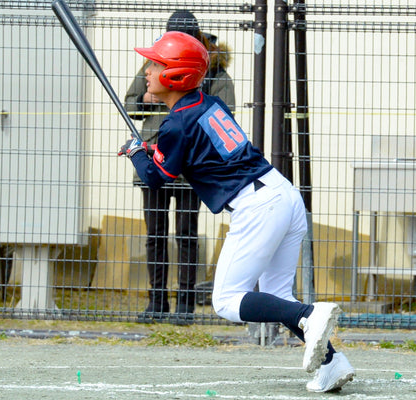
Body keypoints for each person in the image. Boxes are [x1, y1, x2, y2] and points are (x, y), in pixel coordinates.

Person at [119, 31, 355, 392]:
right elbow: (186, 154)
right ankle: (333, 363)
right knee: (278, 295)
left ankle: (310, 315)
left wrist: (137, 150)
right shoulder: (205, 103)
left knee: (227, 301)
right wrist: (151, 150)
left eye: (155, 64)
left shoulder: (176, 123)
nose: (147, 70)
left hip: (258, 206)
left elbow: (154, 179)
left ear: (174, 75)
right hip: (281, 193)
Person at [124, 10, 235, 324]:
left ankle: (185, 303)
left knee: (186, 235)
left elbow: (226, 117)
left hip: (189, 168)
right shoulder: (153, 64)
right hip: (152, 159)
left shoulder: (212, 72)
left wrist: (181, 98)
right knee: (155, 235)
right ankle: (156, 301)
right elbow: (130, 103)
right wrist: (150, 99)